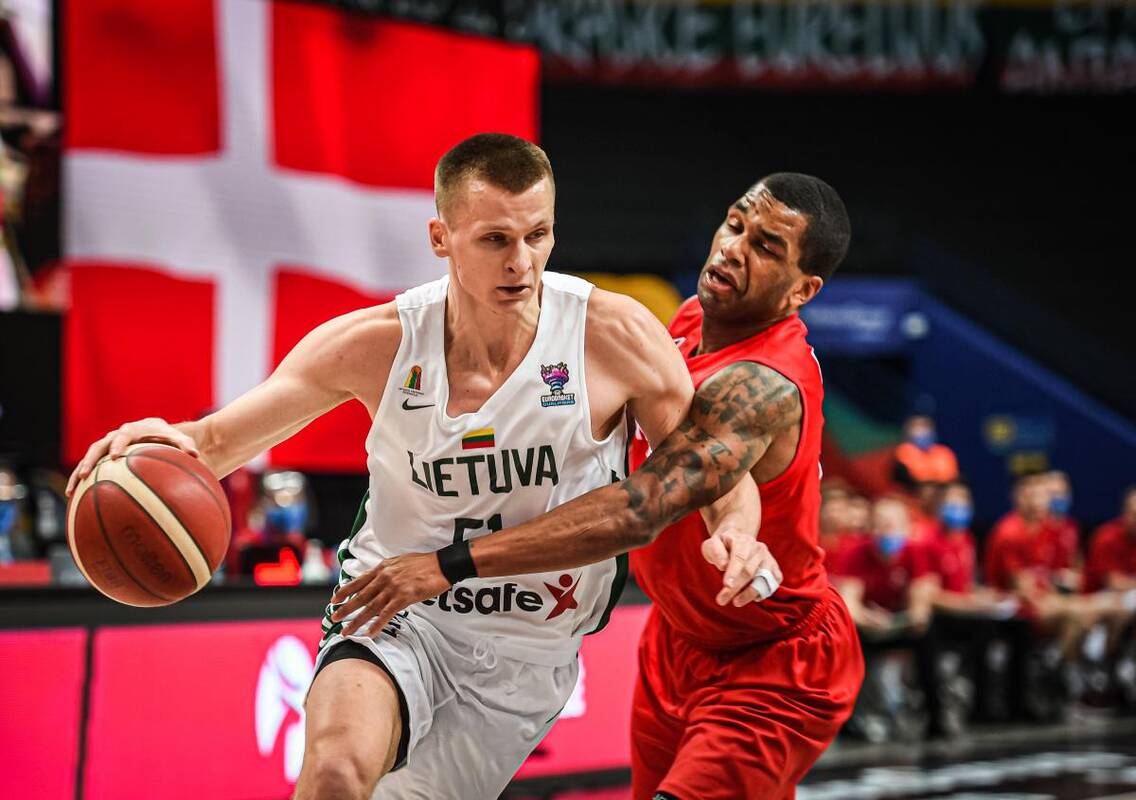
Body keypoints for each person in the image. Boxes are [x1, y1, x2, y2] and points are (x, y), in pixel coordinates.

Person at [65, 134, 777, 800]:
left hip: (526, 654)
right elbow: (217, 441)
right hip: (395, 608)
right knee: (336, 771)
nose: (521, 262)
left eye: (537, 235)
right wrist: (162, 443)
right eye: (495, 239)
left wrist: (739, 531)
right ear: (441, 238)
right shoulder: (375, 342)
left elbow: (713, 467)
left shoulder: (612, 336)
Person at [333, 173, 863, 799]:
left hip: (772, 657)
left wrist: (448, 565)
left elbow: (640, 509)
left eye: (766, 247)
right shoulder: (691, 321)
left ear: (803, 290)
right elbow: (721, 480)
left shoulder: (762, 383)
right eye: (735, 223)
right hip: (678, 639)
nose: (732, 248)